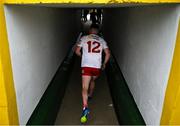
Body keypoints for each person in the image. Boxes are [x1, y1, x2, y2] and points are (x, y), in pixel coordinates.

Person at [75, 24, 111, 123]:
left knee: (84, 87)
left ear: (90, 30)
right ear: (98, 31)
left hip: (86, 65)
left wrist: (83, 56)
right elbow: (108, 54)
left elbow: (77, 51)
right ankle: (90, 94)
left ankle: (85, 107)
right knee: (93, 80)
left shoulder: (84, 38)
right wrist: (104, 64)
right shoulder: (102, 40)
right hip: (96, 66)